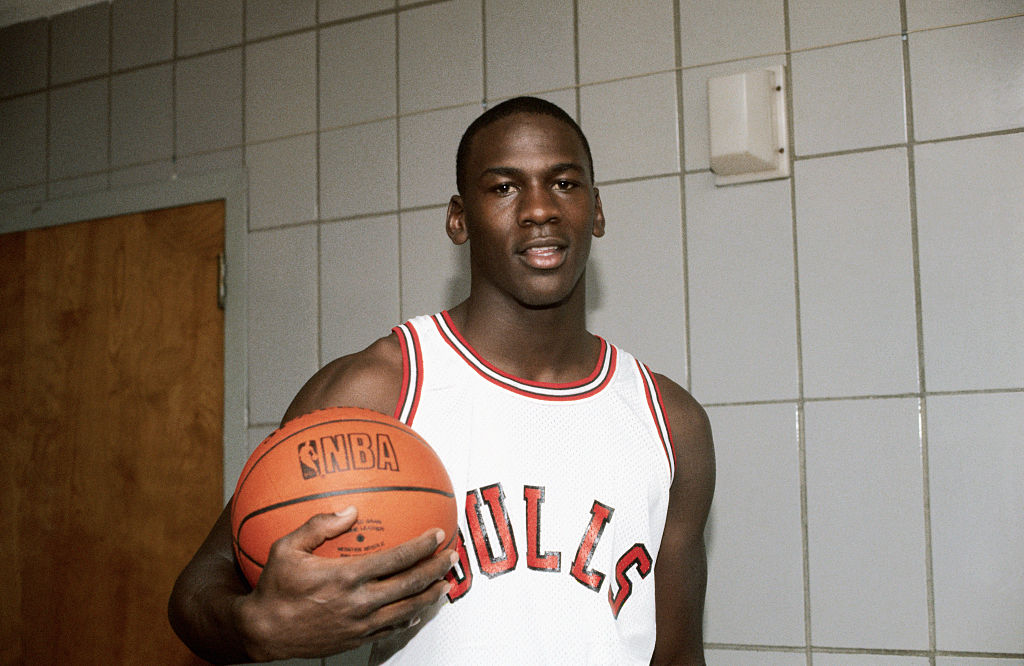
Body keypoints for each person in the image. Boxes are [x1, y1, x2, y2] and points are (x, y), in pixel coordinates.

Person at [168, 96, 715, 665]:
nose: (538, 210)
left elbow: (677, 655)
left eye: (564, 184)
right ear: (459, 219)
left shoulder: (670, 422)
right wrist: (251, 627)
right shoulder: (377, 390)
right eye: (504, 187)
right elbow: (197, 590)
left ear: (596, 211)